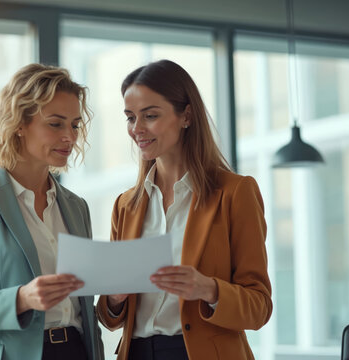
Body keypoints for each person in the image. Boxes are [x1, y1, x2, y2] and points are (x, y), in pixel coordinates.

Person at [97, 59, 272, 360]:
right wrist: (113, 298)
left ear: (186, 116)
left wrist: (209, 289)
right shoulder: (126, 205)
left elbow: (259, 307)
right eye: (130, 117)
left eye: (150, 115)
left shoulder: (234, 193)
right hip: (136, 352)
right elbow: (109, 316)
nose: (137, 129)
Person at [0, 63, 103, 360]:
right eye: (56, 124)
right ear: (19, 123)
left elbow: (84, 310)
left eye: (75, 125)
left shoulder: (77, 207)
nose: (70, 136)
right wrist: (21, 298)